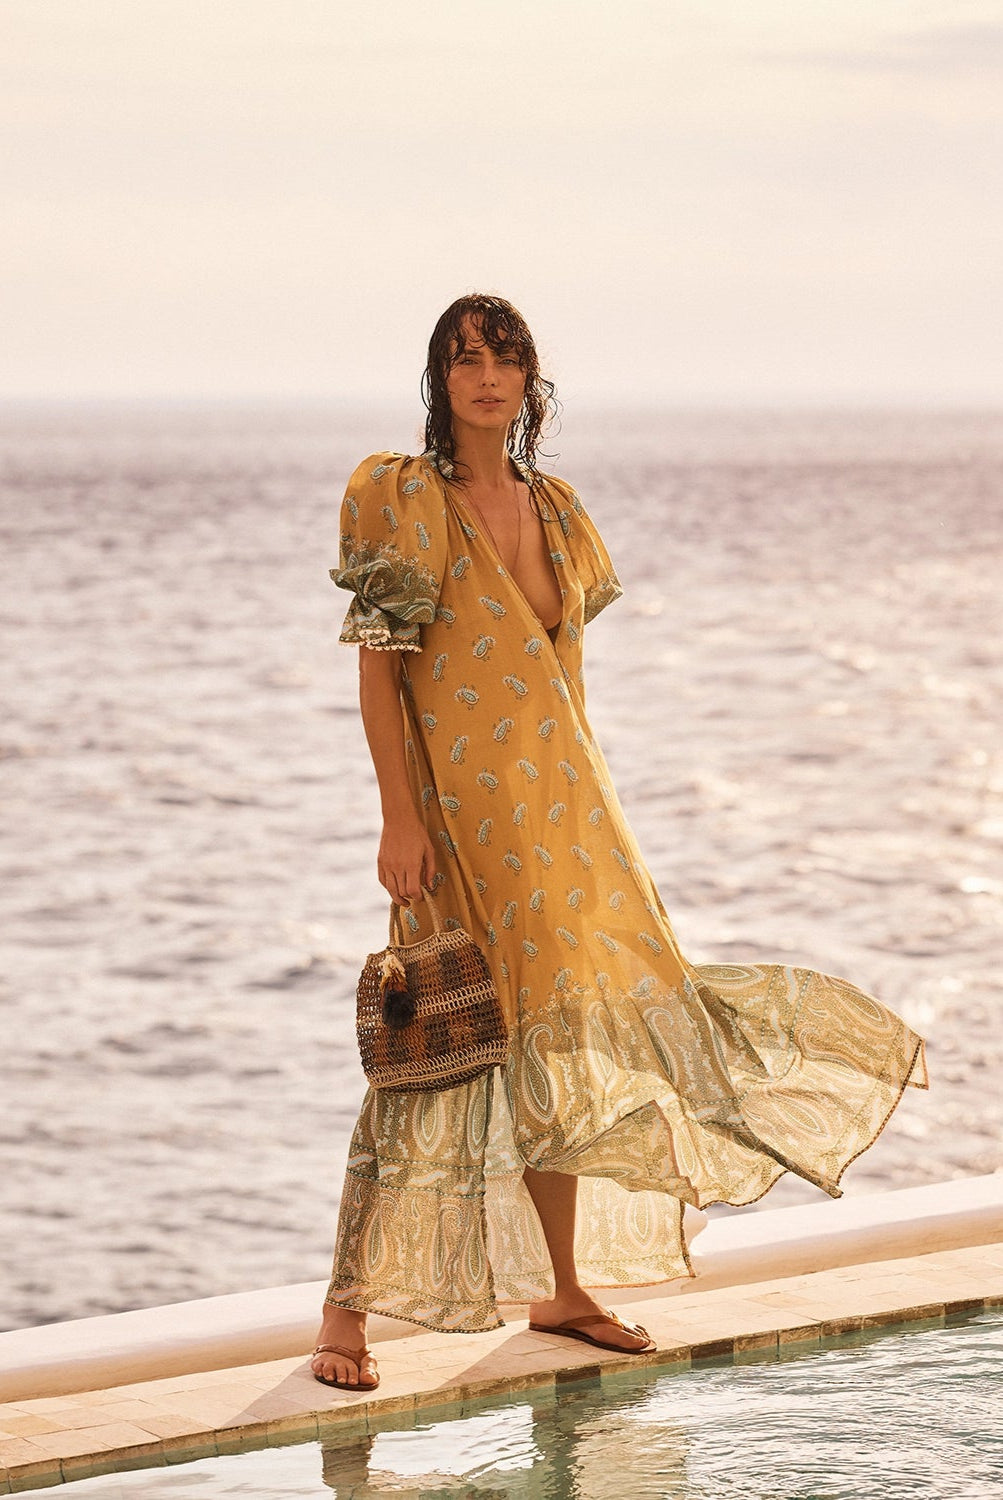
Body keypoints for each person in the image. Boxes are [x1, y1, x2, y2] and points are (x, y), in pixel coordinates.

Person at [311, 294, 928, 1391]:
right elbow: (380, 670)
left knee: (561, 1043)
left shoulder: (556, 510)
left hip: (562, 821)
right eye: (464, 358)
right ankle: (343, 1316)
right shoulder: (403, 498)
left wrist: (590, 819)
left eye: (504, 357)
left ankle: (560, 1290)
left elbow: (561, 687)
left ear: (529, 379)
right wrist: (397, 816)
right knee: (436, 1048)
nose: (485, 376)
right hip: (452, 827)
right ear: (439, 379)